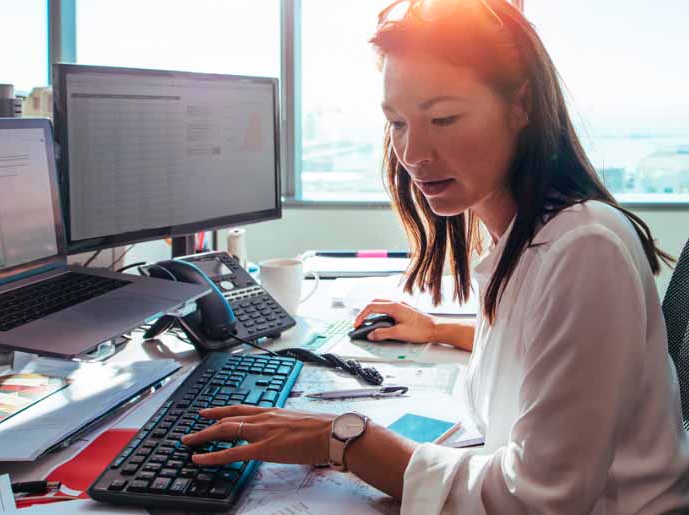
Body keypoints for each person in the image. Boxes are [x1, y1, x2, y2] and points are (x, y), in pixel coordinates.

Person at [183, 0, 689, 512]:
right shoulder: (525, 234)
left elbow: (538, 501)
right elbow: (555, 354)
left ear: (522, 107)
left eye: (443, 118)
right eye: (397, 123)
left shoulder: (584, 249)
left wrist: (344, 441)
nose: (413, 153)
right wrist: (441, 330)